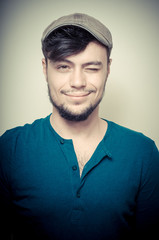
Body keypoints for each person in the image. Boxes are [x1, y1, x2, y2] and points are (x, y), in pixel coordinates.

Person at [0, 13, 159, 240]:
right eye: (64, 66)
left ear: (108, 69)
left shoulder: (143, 153)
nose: (77, 82)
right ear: (45, 68)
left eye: (92, 68)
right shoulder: (10, 148)